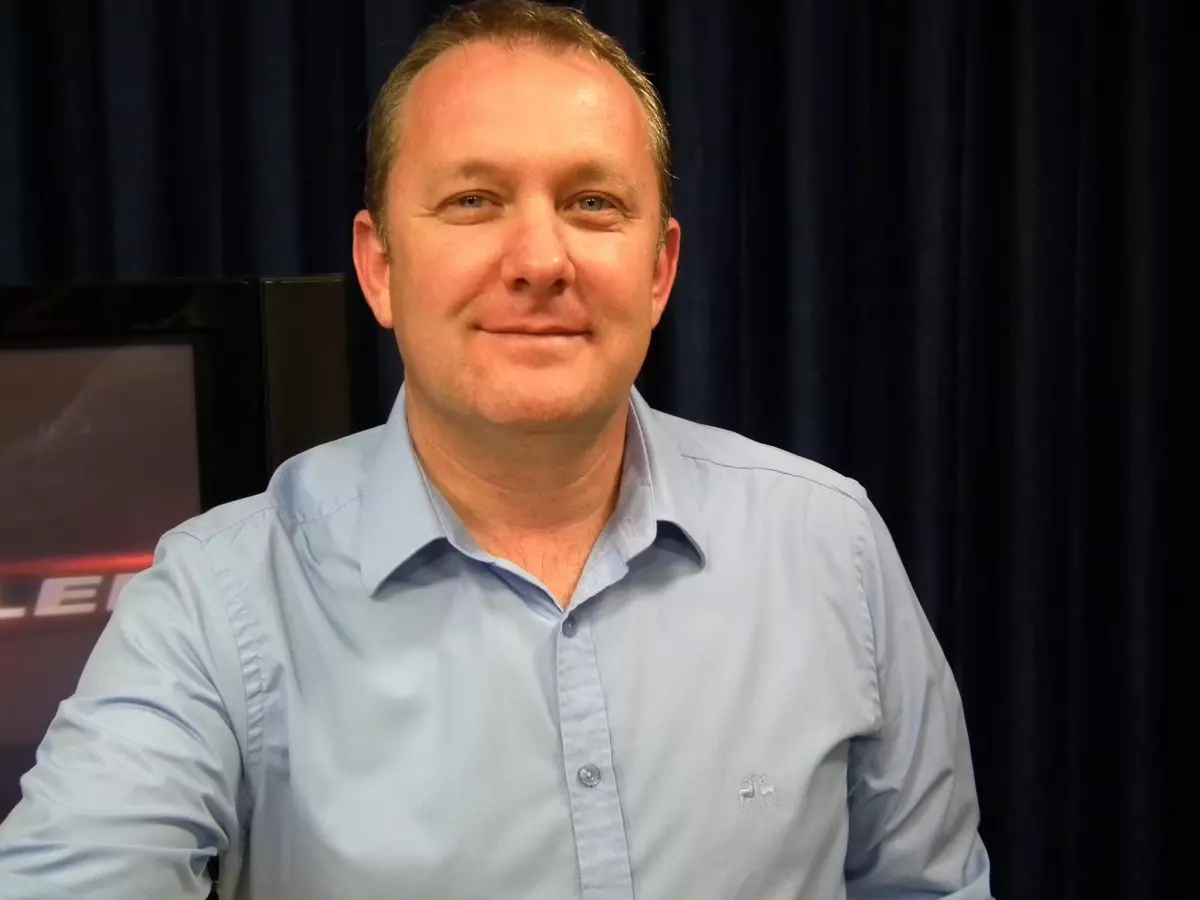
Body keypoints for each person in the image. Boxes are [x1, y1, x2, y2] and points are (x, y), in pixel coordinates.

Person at [0, 1, 993, 897]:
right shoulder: (221, 600)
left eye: (593, 203)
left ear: (659, 270)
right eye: (473, 201)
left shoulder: (829, 545)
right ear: (379, 267)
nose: (540, 261)